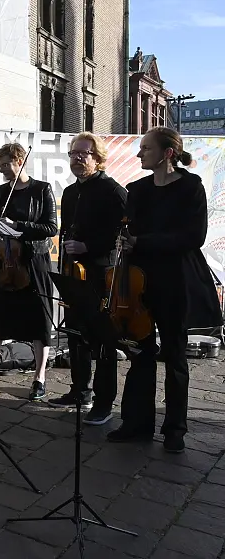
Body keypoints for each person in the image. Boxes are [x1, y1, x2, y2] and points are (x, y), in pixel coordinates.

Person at [108, 126, 221, 453]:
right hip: (141, 282)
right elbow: (129, 231)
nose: (139, 153)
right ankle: (136, 423)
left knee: (174, 355)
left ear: (167, 153)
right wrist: (125, 242)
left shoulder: (190, 187)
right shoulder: (138, 189)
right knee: (139, 353)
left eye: (146, 148)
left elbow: (193, 237)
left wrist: (141, 242)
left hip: (175, 281)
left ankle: (175, 429)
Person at [48, 133, 126, 425]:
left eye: (84, 153)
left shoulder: (113, 191)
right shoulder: (69, 192)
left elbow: (123, 235)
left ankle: (104, 403)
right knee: (76, 335)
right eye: (73, 153)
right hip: (73, 273)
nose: (77, 158)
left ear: (98, 158)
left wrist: (88, 247)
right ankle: (80, 391)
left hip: (101, 274)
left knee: (103, 340)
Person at [0, 142, 57, 401]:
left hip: (33, 263)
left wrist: (18, 225)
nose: (2, 170)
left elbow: (50, 228)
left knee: (38, 320)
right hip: (4, 264)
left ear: (20, 160)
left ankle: (39, 376)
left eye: (5, 165)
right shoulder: (1, 192)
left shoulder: (41, 190)